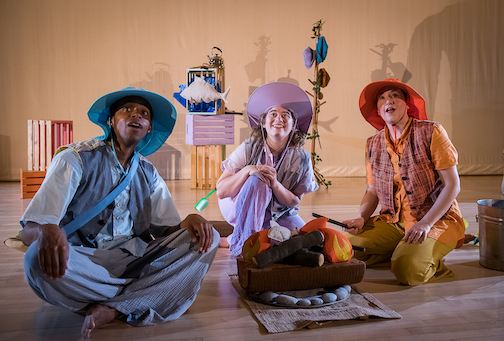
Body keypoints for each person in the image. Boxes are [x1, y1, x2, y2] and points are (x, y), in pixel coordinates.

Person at [20, 87, 219, 339]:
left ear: (148, 128)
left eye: (144, 113)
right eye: (127, 109)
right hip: (84, 261)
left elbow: (164, 230)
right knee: (35, 259)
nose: (136, 115)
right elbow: (29, 231)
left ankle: (113, 308)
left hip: (136, 260)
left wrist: (189, 221)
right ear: (110, 121)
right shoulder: (75, 159)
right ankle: (144, 296)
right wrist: (47, 230)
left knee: (207, 240)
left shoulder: (148, 172)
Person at [342, 78, 465, 286]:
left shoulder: (432, 131)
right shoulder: (373, 143)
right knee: (343, 247)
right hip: (393, 221)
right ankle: (401, 248)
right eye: (381, 98)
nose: (387, 101)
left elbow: (453, 185)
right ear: (379, 111)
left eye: (394, 96)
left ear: (407, 104)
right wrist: (361, 218)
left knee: (407, 271)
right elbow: (372, 192)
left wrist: (426, 223)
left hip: (435, 219)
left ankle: (422, 257)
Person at [216, 82, 319, 257]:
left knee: (304, 240)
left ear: (293, 126)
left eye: (286, 115)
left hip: (280, 212)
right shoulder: (248, 148)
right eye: (273, 114)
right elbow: (221, 191)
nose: (279, 119)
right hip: (242, 206)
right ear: (263, 122)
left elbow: (294, 201)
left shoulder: (302, 158)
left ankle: (235, 238)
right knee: (258, 180)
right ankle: (246, 243)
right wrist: (248, 170)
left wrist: (276, 184)